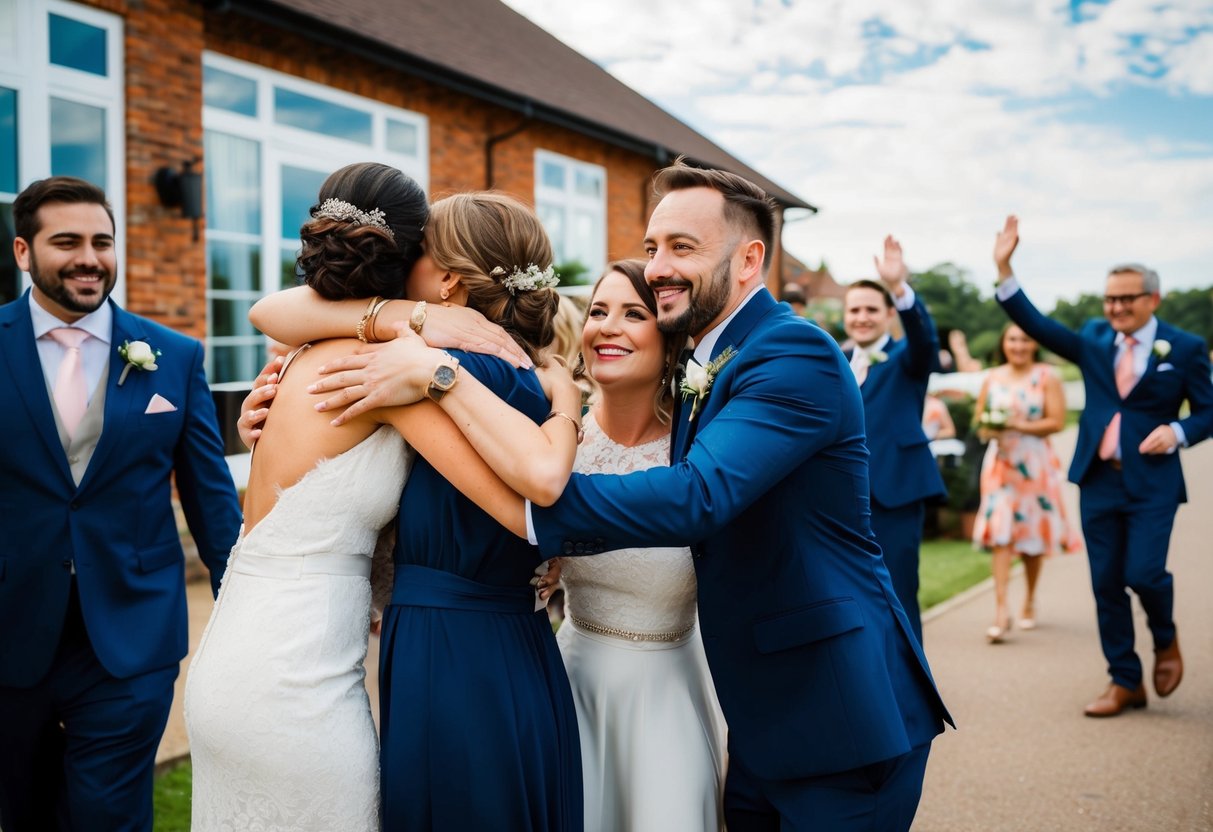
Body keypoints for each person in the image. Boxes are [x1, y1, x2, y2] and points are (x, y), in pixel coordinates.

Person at [312, 162, 953, 830]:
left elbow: (697, 495)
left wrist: (533, 509)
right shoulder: (702, 368)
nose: (658, 266)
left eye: (682, 247)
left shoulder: (792, 352)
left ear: (748, 259)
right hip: (752, 723)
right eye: (651, 247)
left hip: (836, 713)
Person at [249, 190, 584, 830]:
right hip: (513, 638)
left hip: (454, 649)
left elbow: (277, 315)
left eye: (417, 252)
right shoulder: (519, 371)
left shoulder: (434, 370)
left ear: (450, 282)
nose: (398, 262)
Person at [0, 176, 242, 831]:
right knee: (23, 811)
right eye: (67, 241)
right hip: (11, 632)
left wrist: (248, 612)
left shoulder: (176, 357)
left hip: (132, 638)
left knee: (110, 814)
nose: (89, 257)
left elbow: (211, 499)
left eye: (102, 241)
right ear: (23, 251)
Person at [993, 215, 1213, 717]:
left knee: (1146, 573)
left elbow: (1208, 410)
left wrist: (1178, 432)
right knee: (1105, 583)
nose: (1115, 308)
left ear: (1152, 300)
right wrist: (1005, 268)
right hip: (1097, 481)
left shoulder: (1184, 348)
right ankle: (1124, 681)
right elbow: (1040, 326)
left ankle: (1166, 635)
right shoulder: (1094, 338)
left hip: (1153, 482)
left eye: (1126, 299)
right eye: (1110, 299)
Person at [558, 260, 725, 829]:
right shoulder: (556, 434)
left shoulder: (701, 451)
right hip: (569, 679)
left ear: (670, 339)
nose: (608, 327)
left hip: (667, 691)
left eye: (634, 314)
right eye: (598, 312)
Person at [841, 235, 946, 642]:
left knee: (898, 595)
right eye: (854, 310)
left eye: (871, 309)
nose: (862, 317)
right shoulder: (836, 360)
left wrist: (900, 288)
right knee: (848, 598)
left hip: (896, 492)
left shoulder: (907, 358)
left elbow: (926, 342)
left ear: (888, 314)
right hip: (840, 499)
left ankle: (911, 699)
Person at [972, 323, 1081, 643]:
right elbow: (979, 422)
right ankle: (1001, 610)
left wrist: (1017, 423)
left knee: (1032, 537)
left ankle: (1030, 598)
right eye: (1012, 339)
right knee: (1002, 535)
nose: (1018, 345)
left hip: (1035, 465)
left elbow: (1057, 421)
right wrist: (991, 428)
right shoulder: (991, 378)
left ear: (1034, 344)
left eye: (1024, 339)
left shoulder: (1048, 376)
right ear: (1003, 343)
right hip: (1001, 465)